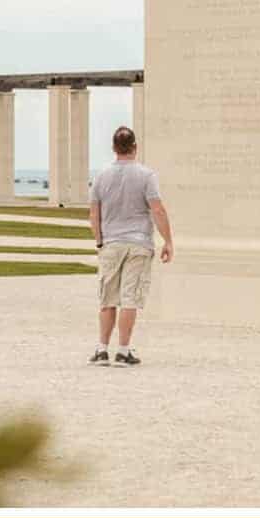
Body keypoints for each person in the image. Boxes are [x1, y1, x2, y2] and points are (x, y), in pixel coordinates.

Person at [88, 125, 173, 367]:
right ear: (135, 147)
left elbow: (94, 214)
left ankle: (102, 349)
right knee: (129, 298)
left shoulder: (101, 176)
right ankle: (123, 350)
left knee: (107, 298)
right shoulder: (147, 175)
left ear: (114, 148)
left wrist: (99, 240)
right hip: (138, 243)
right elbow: (157, 209)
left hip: (111, 243)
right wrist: (168, 240)